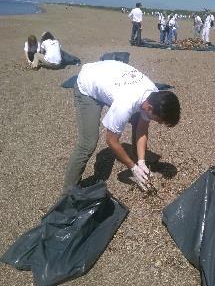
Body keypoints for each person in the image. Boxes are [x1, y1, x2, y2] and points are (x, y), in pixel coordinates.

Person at [63, 60, 181, 193]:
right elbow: (111, 140)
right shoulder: (125, 104)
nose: (158, 123)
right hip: (87, 85)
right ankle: (68, 193)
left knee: (138, 122)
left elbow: (142, 129)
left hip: (108, 79)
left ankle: (141, 169)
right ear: (149, 107)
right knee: (88, 143)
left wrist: (141, 161)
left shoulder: (153, 94)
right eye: (158, 120)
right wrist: (132, 168)